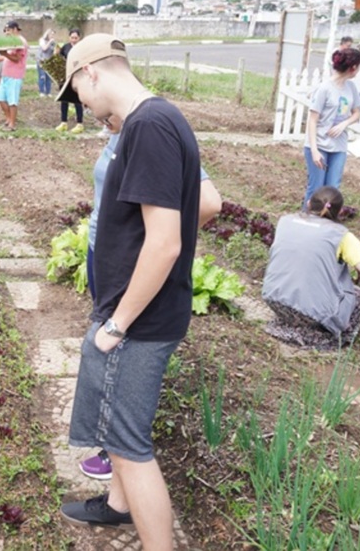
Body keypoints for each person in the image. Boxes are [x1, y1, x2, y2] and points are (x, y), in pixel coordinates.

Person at [55, 34, 200, 550]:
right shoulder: (153, 120)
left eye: (77, 92)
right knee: (119, 436)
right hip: (136, 313)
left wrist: (116, 325)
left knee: (130, 444)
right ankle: (118, 508)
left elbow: (163, 244)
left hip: (137, 322)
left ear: (90, 72)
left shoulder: (149, 127)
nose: (84, 106)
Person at [78, 128, 222, 481]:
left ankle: (118, 451)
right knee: (113, 352)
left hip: (126, 260)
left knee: (121, 351)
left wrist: (159, 241)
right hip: (103, 253)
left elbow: (209, 203)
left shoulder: (149, 132)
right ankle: (114, 444)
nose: (85, 105)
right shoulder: (121, 129)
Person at [262, 186, 360, 350]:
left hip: (274, 299)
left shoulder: (285, 221)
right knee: (357, 295)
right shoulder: (341, 235)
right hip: (312, 314)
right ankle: (323, 333)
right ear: (340, 211)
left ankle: (289, 323)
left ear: (308, 203)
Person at [303, 47, 360, 206]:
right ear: (353, 68)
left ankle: (325, 224)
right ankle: (306, 221)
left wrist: (344, 124)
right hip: (319, 145)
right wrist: (314, 151)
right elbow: (312, 120)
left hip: (339, 146)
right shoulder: (324, 89)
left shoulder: (351, 88)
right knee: (316, 190)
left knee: (332, 190)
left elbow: (357, 113)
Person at [0, 21, 27, 132]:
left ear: (15, 29)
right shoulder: (12, 42)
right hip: (6, 74)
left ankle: (12, 124)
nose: (6, 32)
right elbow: (9, 56)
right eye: (5, 30)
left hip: (15, 75)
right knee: (1, 99)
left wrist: (4, 54)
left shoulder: (21, 42)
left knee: (12, 101)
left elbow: (17, 59)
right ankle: (8, 119)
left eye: (8, 30)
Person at [57, 29, 85, 133]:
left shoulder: (82, 48)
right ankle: (63, 122)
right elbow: (59, 61)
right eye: (72, 38)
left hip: (78, 78)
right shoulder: (65, 47)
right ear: (69, 38)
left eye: (76, 38)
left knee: (77, 101)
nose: (74, 40)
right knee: (64, 100)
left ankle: (80, 123)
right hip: (65, 78)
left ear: (79, 38)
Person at [38, 28, 56, 97]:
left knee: (48, 77)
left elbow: (53, 52)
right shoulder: (42, 40)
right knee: (42, 76)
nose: (52, 36)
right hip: (42, 60)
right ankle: (42, 92)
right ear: (47, 34)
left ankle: (48, 92)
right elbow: (44, 48)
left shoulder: (53, 43)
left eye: (53, 35)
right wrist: (50, 42)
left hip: (49, 61)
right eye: (51, 34)